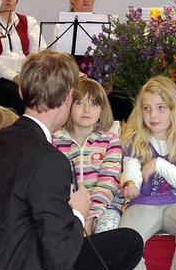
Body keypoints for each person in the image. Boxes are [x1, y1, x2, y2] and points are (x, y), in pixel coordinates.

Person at [0, 49, 143, 270]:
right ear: (68, 98)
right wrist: (77, 213)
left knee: (125, 241)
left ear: (20, 91)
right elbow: (61, 256)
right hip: (32, 261)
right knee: (130, 242)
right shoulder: (51, 160)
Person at [119, 75, 176, 270]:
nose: (153, 115)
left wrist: (159, 164)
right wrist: (131, 184)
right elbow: (132, 171)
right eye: (147, 108)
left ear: (174, 109)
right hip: (144, 202)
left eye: (161, 107)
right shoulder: (136, 138)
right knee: (125, 239)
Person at [53, 77, 123, 235]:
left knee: (106, 230)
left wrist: (90, 218)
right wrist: (77, 213)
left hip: (105, 207)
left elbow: (108, 182)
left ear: (102, 110)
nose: (86, 110)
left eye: (94, 104)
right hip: (67, 208)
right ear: (68, 106)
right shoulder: (55, 141)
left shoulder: (110, 141)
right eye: (79, 103)